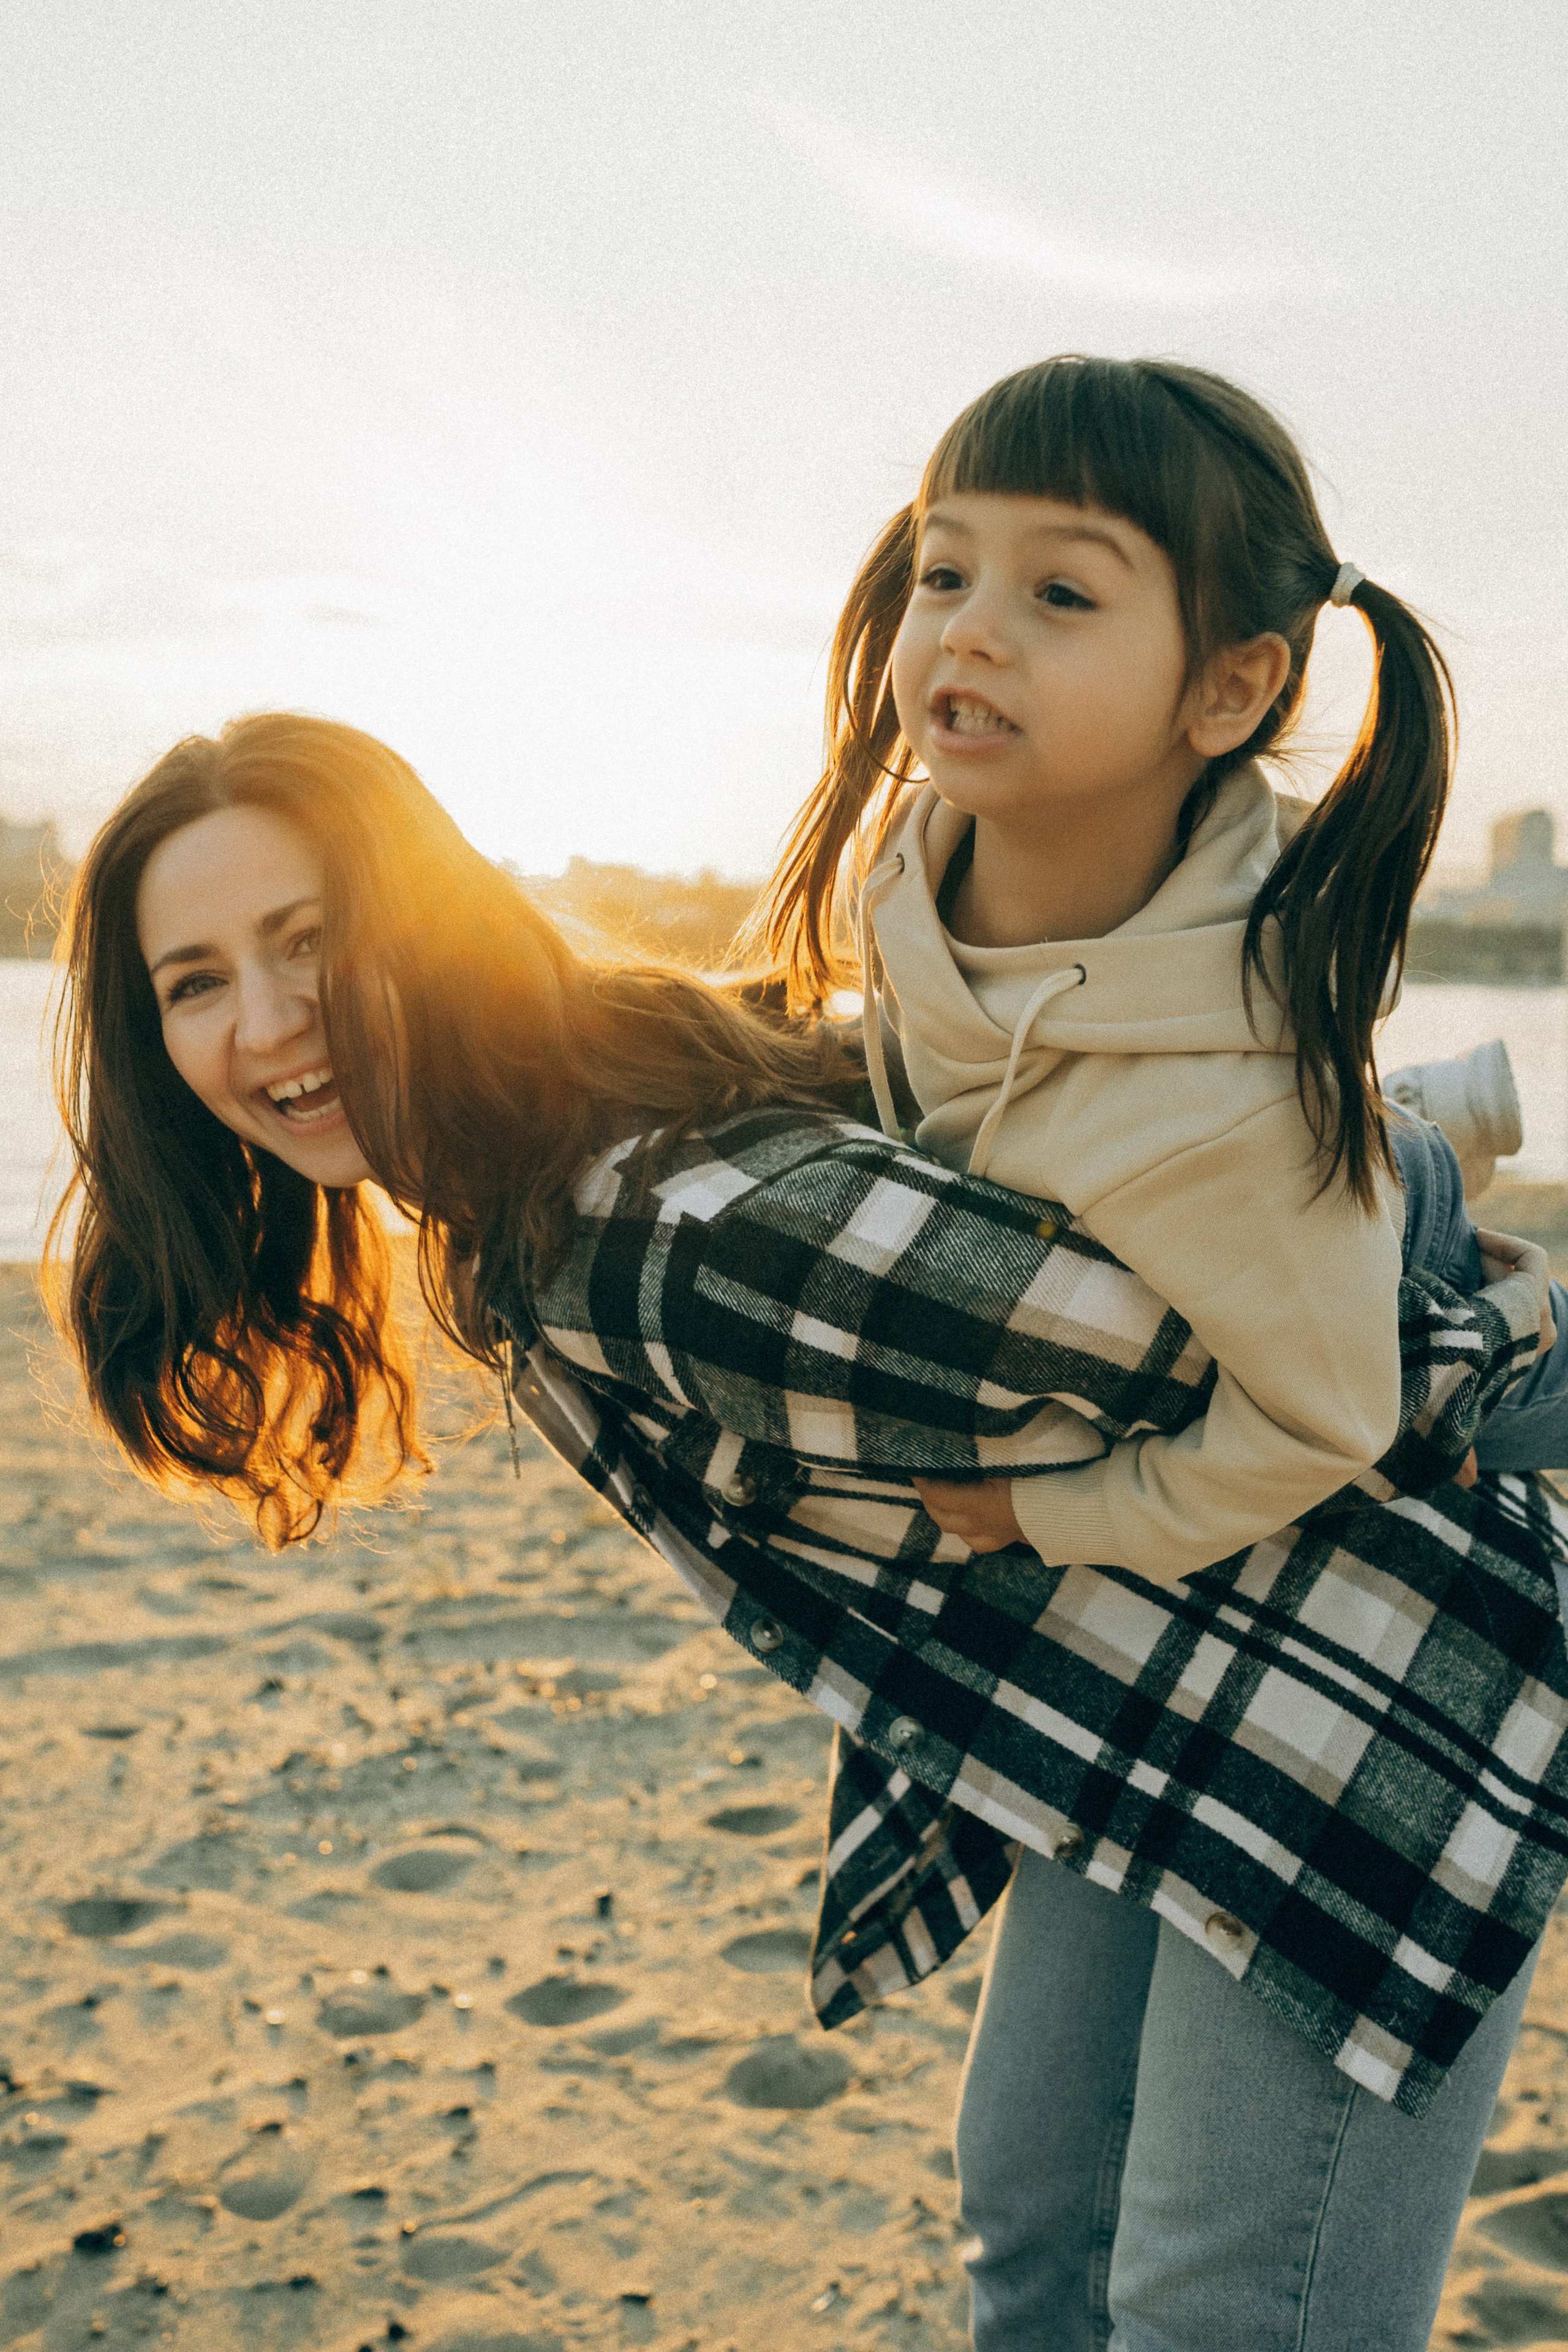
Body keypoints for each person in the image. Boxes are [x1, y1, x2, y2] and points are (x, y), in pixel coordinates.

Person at [47, 712, 1568, 2352]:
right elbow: (1005, 1148)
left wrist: (1489, 1298)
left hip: (1385, 1685)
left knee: (1213, 2313)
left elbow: (1268, 1362)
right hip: (1151, 1686)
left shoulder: (653, 1235)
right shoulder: (532, 1175)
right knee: (1038, 2239)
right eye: (194, 982)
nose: (266, 1023)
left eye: (307, 940)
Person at [747, 352, 1568, 2345]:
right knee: (1033, 2219)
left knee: (1214, 2300)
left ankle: (1430, 1176)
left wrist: (1044, 1512)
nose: (969, 630)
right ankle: (1431, 1141)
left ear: (1229, 689)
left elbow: (1327, 1416)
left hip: (1391, 1628)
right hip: (1165, 1620)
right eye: (946, 570)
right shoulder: (919, 882)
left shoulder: (1232, 1102)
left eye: (1062, 592)